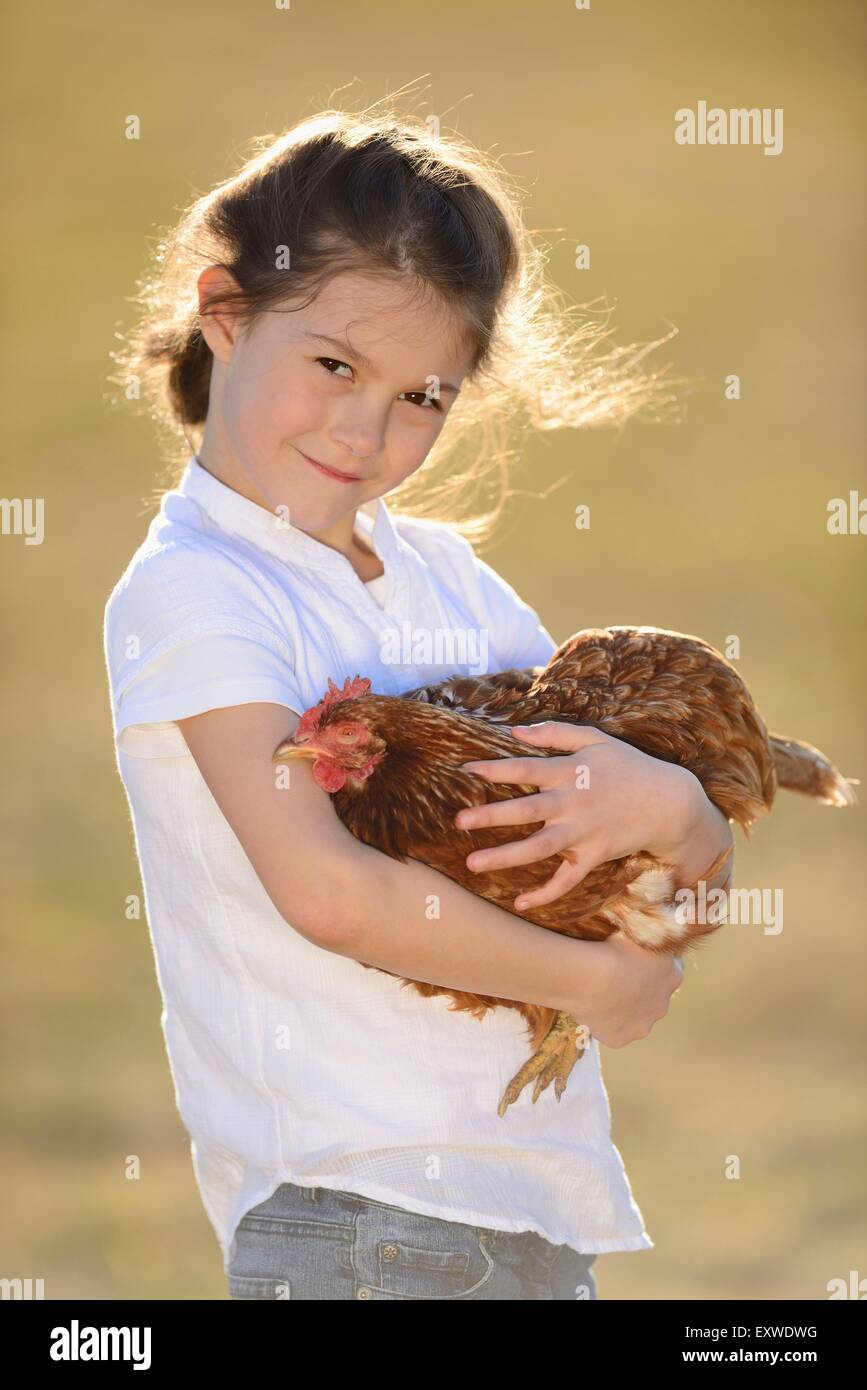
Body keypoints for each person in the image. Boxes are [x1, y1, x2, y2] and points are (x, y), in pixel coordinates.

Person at [103, 104, 734, 1301]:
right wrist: (597, 983)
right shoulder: (199, 591)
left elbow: (662, 886)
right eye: (335, 365)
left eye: (423, 397)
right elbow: (331, 894)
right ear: (225, 315)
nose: (365, 428)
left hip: (537, 1204)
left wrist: (679, 809)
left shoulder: (455, 582)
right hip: (352, 1209)